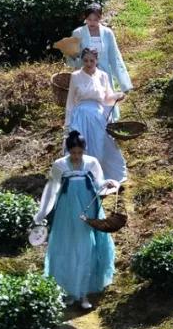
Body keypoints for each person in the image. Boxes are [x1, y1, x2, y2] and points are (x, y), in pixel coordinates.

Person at [35, 130, 118, 310]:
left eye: (79, 152)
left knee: (86, 248)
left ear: (84, 150)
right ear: (68, 151)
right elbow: (52, 189)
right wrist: (42, 213)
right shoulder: (60, 166)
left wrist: (108, 184)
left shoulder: (91, 163)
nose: (76, 156)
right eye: (73, 153)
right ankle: (69, 291)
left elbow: (98, 184)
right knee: (67, 248)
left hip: (87, 210)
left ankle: (84, 294)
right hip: (66, 212)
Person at [63, 46, 127, 185]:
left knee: (100, 146)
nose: (89, 64)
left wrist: (118, 96)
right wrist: (68, 123)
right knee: (80, 145)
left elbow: (107, 98)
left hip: (98, 115)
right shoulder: (75, 76)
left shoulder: (103, 75)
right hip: (80, 114)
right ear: (82, 61)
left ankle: (100, 178)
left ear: (97, 60)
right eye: (85, 60)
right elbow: (70, 100)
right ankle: (80, 179)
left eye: (92, 60)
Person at [69, 4, 132, 117]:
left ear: (100, 18)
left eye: (96, 19)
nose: (92, 22)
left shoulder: (107, 33)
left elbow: (115, 58)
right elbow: (73, 58)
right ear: (85, 18)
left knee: (105, 104)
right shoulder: (78, 33)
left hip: (103, 74)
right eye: (89, 19)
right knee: (88, 106)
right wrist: (75, 57)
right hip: (86, 74)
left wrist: (124, 84)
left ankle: (106, 129)